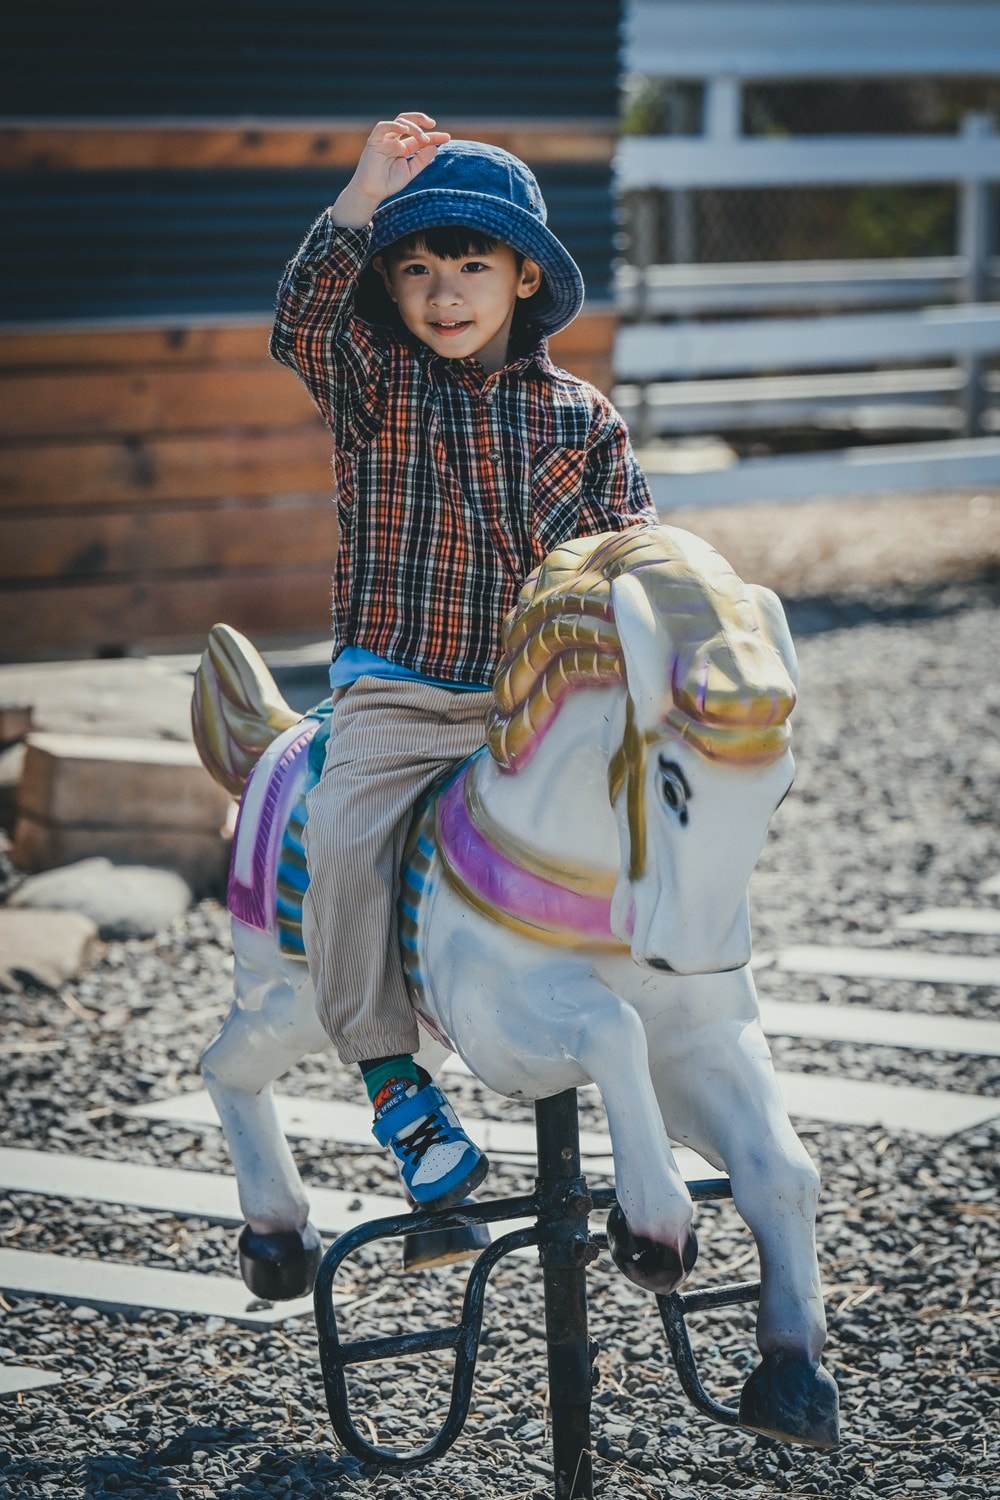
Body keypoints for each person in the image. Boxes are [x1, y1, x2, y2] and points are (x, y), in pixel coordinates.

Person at [270, 111, 657, 1209]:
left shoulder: (579, 416)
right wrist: (361, 193)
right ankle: (396, 1084)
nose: (444, 291)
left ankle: (676, 1014)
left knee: (664, 812)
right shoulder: (374, 389)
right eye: (418, 269)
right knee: (344, 835)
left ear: (523, 275)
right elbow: (301, 318)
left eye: (471, 264)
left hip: (530, 703)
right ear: (390, 289)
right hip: (399, 689)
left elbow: (628, 553)